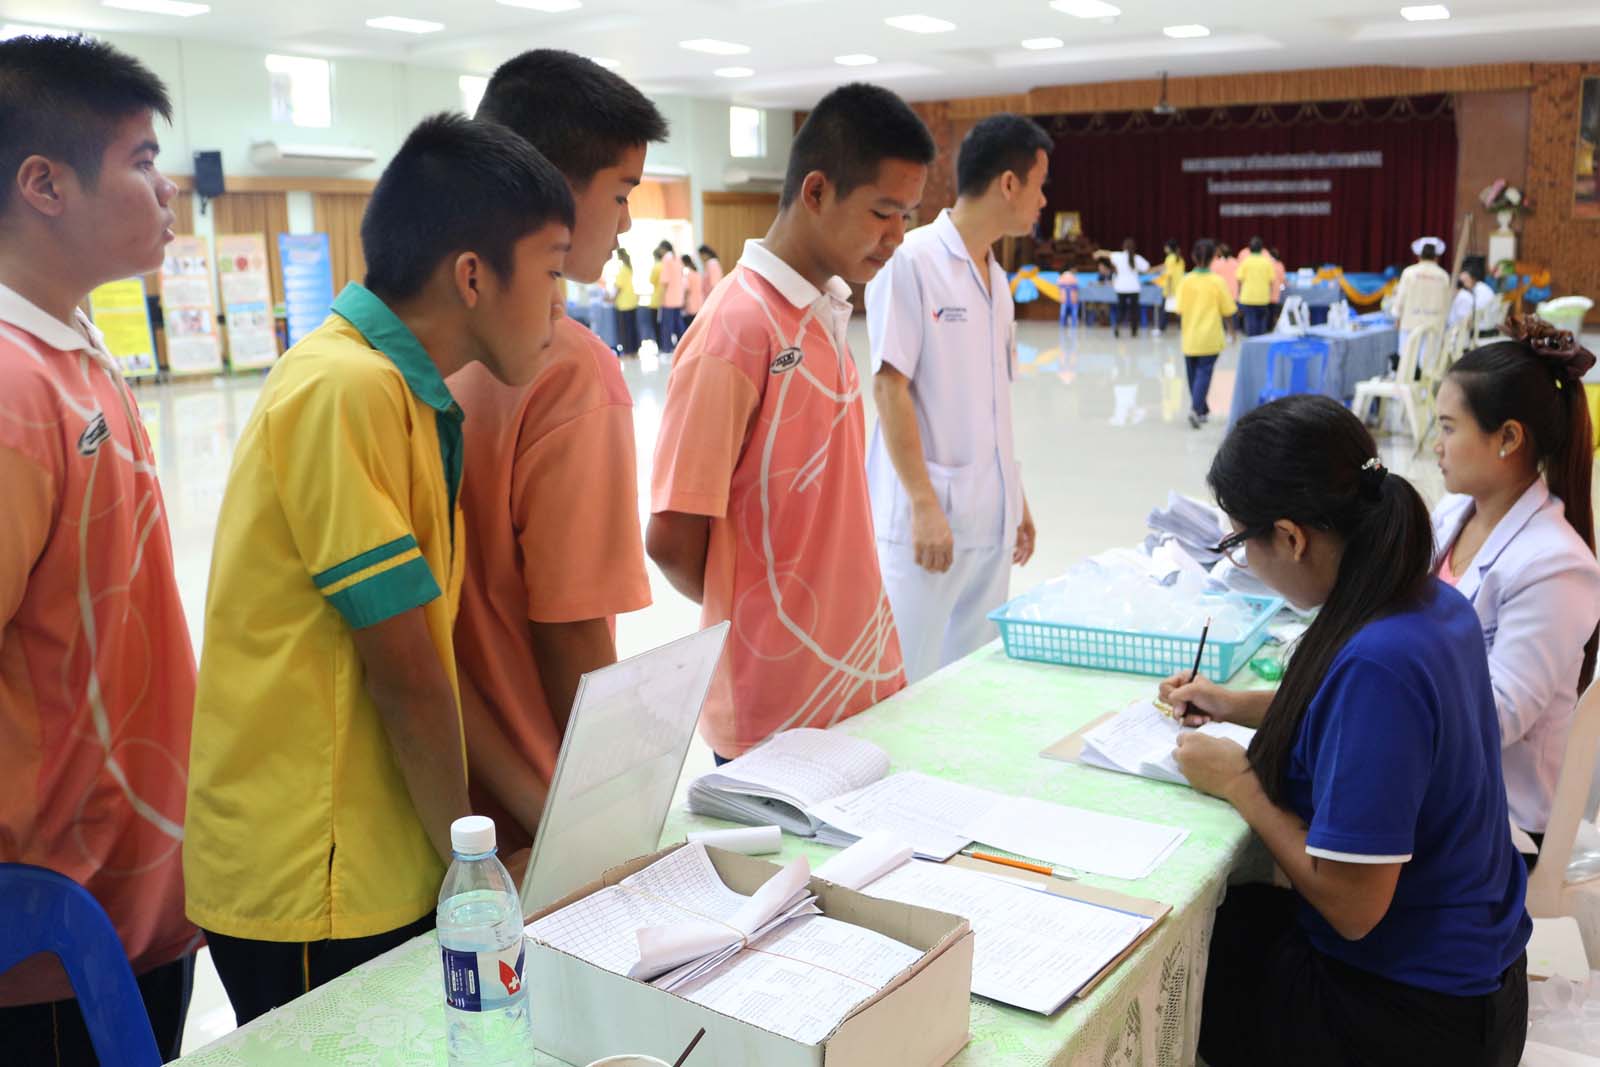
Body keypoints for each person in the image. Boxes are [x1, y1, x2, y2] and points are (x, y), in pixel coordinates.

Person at [184, 114, 575, 1024]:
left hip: (368, 857)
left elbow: (428, 659)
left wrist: (542, 817)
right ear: (472, 276)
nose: (563, 303)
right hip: (314, 875)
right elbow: (403, 675)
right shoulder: (344, 388)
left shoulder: (403, 393)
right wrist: (473, 872)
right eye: (553, 271)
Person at [1164, 394, 1530, 1067]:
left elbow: (1353, 908)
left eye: (1240, 544)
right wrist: (1230, 702)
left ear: (1291, 537)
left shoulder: (1379, 663)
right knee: (1233, 916)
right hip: (1477, 980)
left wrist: (1240, 782)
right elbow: (1353, 716)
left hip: (1413, 1018)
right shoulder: (1428, 601)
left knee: (1176, 965)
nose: (1244, 562)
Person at [0, 34, 199, 1062]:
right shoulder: (11, 384)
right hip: (46, 933)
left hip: (133, 901)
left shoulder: (76, 349)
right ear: (44, 184)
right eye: (141, 160)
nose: (167, 189)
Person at [647, 82, 929, 760]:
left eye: (907, 217)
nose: (897, 238)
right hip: (774, 709)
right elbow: (672, 539)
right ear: (816, 191)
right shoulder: (737, 328)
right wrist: (764, 611)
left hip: (861, 678)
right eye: (883, 213)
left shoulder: (824, 307)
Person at [448, 50, 668, 855]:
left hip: (435, 791)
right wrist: (613, 808)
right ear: (549, 191)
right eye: (622, 193)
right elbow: (573, 630)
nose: (628, 223)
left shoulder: (426, 339)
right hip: (536, 805)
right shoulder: (568, 368)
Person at [865, 113, 1048, 683]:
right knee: (907, 679)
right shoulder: (911, 261)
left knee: (971, 679)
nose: (1043, 201)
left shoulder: (998, 282)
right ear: (1009, 183)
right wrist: (923, 504)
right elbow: (889, 385)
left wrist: (1015, 496)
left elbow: (990, 401)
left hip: (989, 519)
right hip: (929, 521)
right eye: (1040, 186)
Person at [1431, 316, 1600, 859]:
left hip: (1502, 822)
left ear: (1507, 437)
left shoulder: (1556, 565)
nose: (1436, 446)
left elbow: (1496, 716)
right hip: (1437, 777)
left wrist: (1387, 697)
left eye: (1448, 428)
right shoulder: (1452, 513)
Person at [1175, 238, 1236, 429]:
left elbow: (1179, 310)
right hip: (1210, 337)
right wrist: (1231, 331)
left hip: (1190, 336)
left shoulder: (1186, 281)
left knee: (1193, 375)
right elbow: (1227, 310)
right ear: (1213, 258)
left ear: (1193, 257)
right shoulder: (1217, 282)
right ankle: (1197, 409)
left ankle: (1200, 409)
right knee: (1203, 373)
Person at [1391, 236, 1452, 366]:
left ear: (1419, 256)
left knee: (1407, 363)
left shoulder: (1409, 273)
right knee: (1428, 365)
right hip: (1434, 326)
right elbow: (1447, 304)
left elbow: (1400, 299)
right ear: (1436, 257)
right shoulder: (1443, 276)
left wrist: (1397, 317)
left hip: (1410, 324)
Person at [1109, 236, 1149, 338]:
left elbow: (1109, 255)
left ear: (1123, 247)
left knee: (1121, 309)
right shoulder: (1137, 258)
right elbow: (1146, 267)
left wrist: (1099, 253)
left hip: (1121, 287)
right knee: (1134, 310)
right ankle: (1134, 330)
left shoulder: (1118, 256)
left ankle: (1117, 326)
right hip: (1134, 288)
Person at [1237, 236, 1276, 337]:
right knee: (1262, 326)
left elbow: (1239, 280)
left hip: (1248, 298)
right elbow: (1271, 281)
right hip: (1263, 297)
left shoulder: (1245, 262)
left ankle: (1251, 344)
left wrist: (1239, 294)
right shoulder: (1267, 262)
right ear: (1261, 249)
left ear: (1249, 249)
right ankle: (1261, 344)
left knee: (1250, 325)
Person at [657, 239, 685, 353]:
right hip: (678, 297)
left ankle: (667, 348)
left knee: (667, 326)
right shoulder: (677, 259)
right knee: (678, 324)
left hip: (668, 298)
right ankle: (682, 347)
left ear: (663, 249)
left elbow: (665, 281)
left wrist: (660, 298)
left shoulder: (666, 260)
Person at [612, 247, 640, 356]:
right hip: (632, 301)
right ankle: (634, 351)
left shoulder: (623, 270)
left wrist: (612, 299)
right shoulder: (628, 268)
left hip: (624, 304)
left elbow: (619, 287)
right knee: (633, 328)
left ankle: (628, 352)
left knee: (626, 330)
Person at [1155, 237, 1185, 337]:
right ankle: (1183, 328)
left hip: (1171, 288)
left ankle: (1161, 328)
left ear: (1169, 248)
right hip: (1180, 287)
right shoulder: (1180, 259)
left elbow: (1169, 275)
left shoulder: (1170, 258)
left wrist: (1168, 289)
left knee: (1164, 309)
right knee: (1179, 309)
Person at [1213, 242, 1240, 342]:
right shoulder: (1236, 262)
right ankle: (1233, 335)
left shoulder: (1216, 264)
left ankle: (1223, 335)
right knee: (1232, 316)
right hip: (1234, 292)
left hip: (1221, 293)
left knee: (1221, 317)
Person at [682, 252, 704, 327]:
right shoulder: (697, 273)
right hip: (699, 301)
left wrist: (683, 302)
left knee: (689, 325)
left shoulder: (687, 274)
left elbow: (686, 290)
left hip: (690, 303)